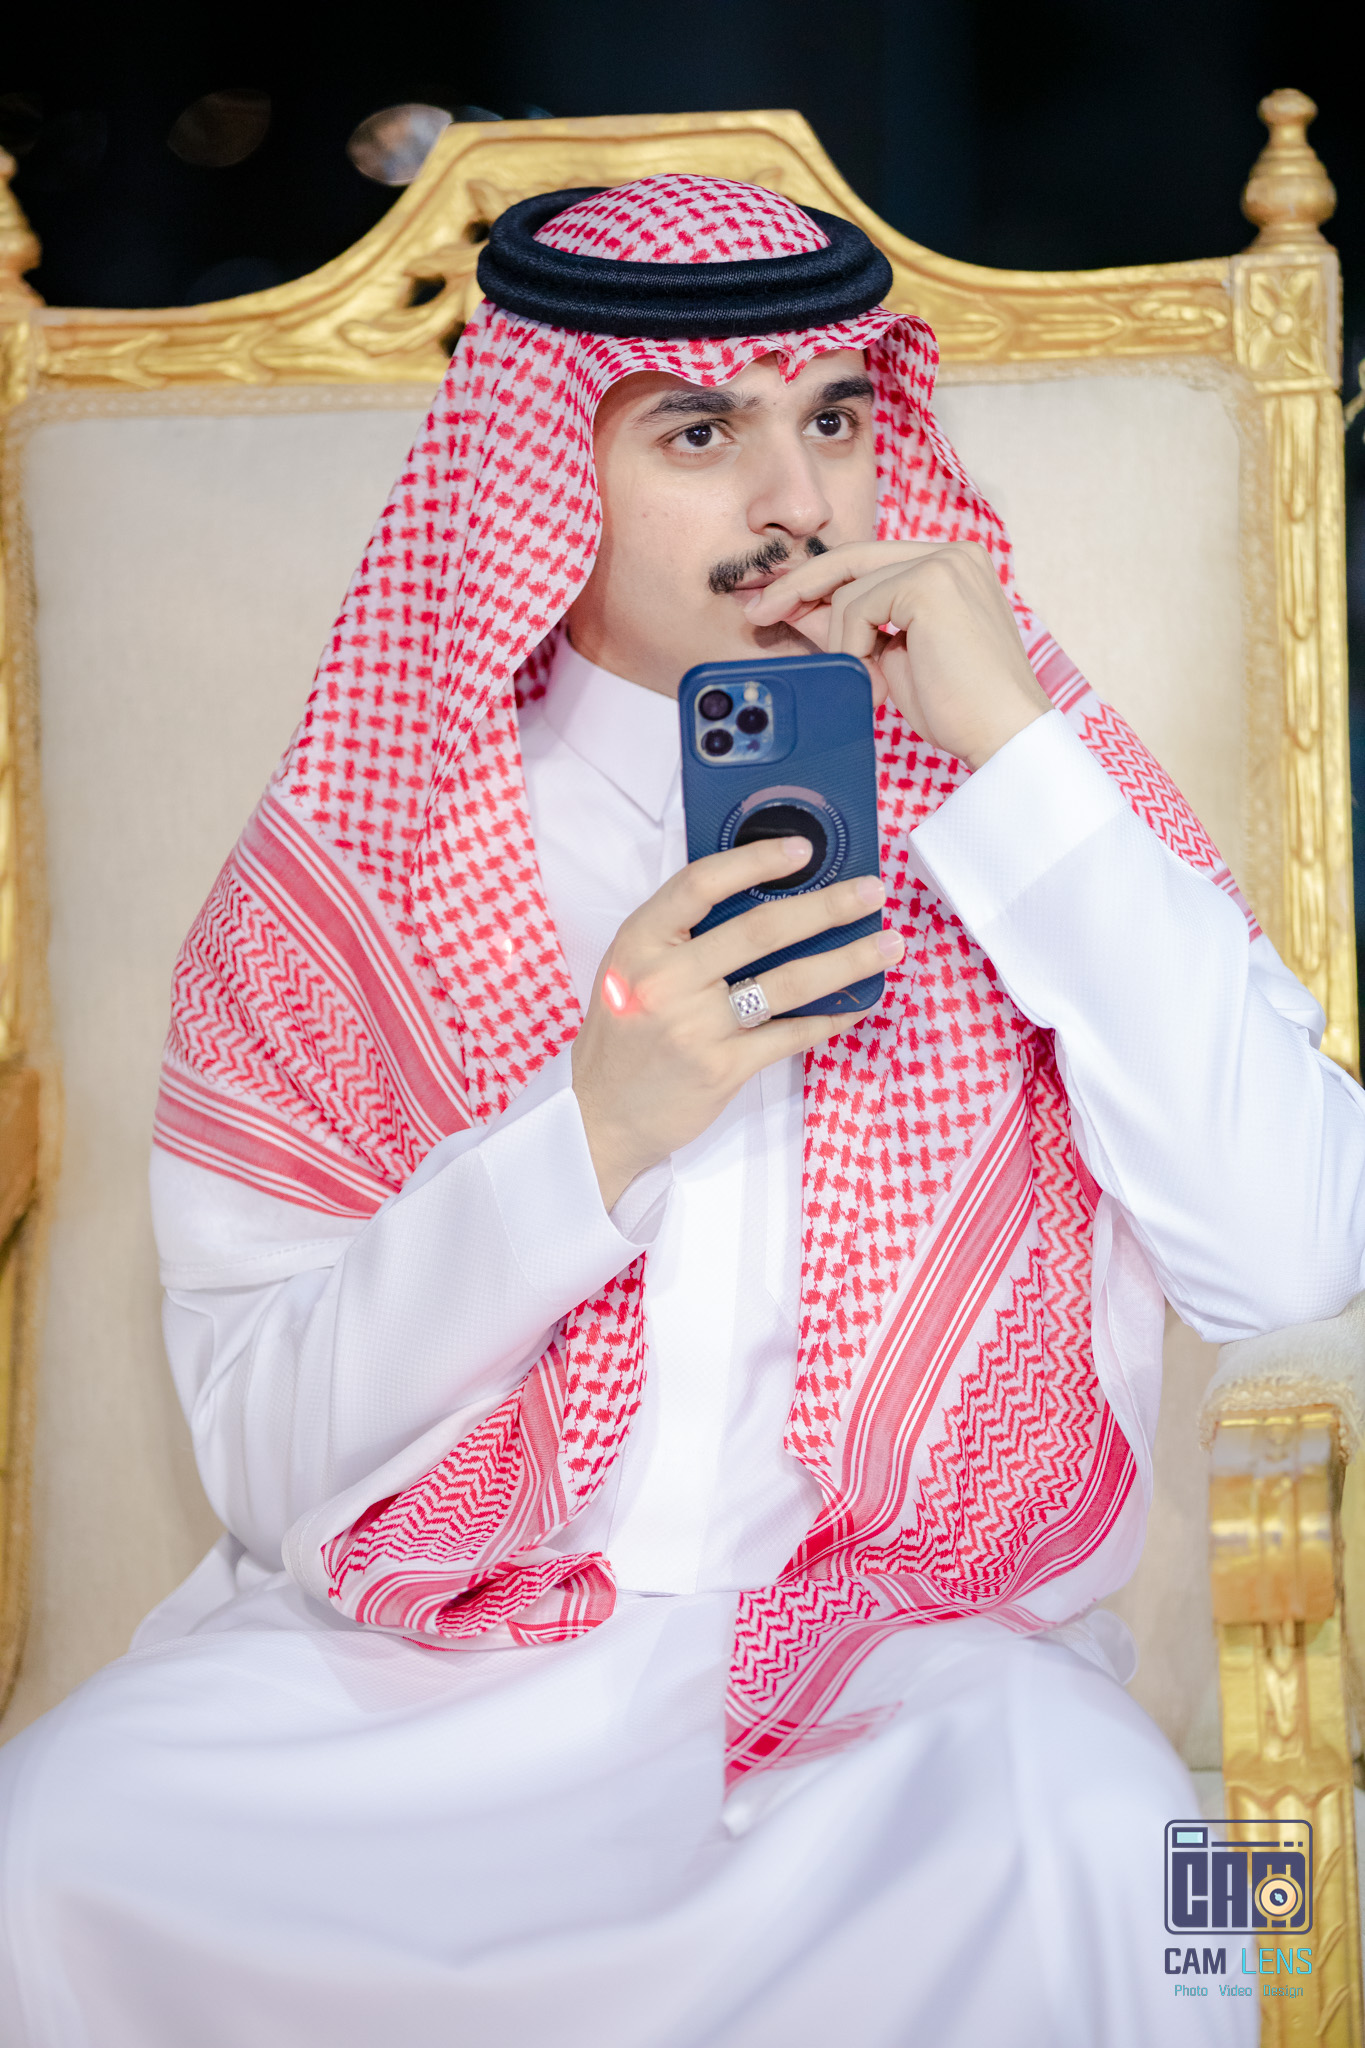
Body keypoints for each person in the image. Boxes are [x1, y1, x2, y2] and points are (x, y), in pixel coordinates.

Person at [1, 172, 1358, 2048]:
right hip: (420, 1689)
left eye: (836, 419)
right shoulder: (357, 867)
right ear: (542, 468)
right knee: (43, 1854)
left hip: (898, 1699)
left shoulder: (1036, 796)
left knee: (1151, 1879)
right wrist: (597, 1133)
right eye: (700, 434)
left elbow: (1297, 1252)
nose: (796, 499)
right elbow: (263, 1453)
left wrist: (1012, 761)